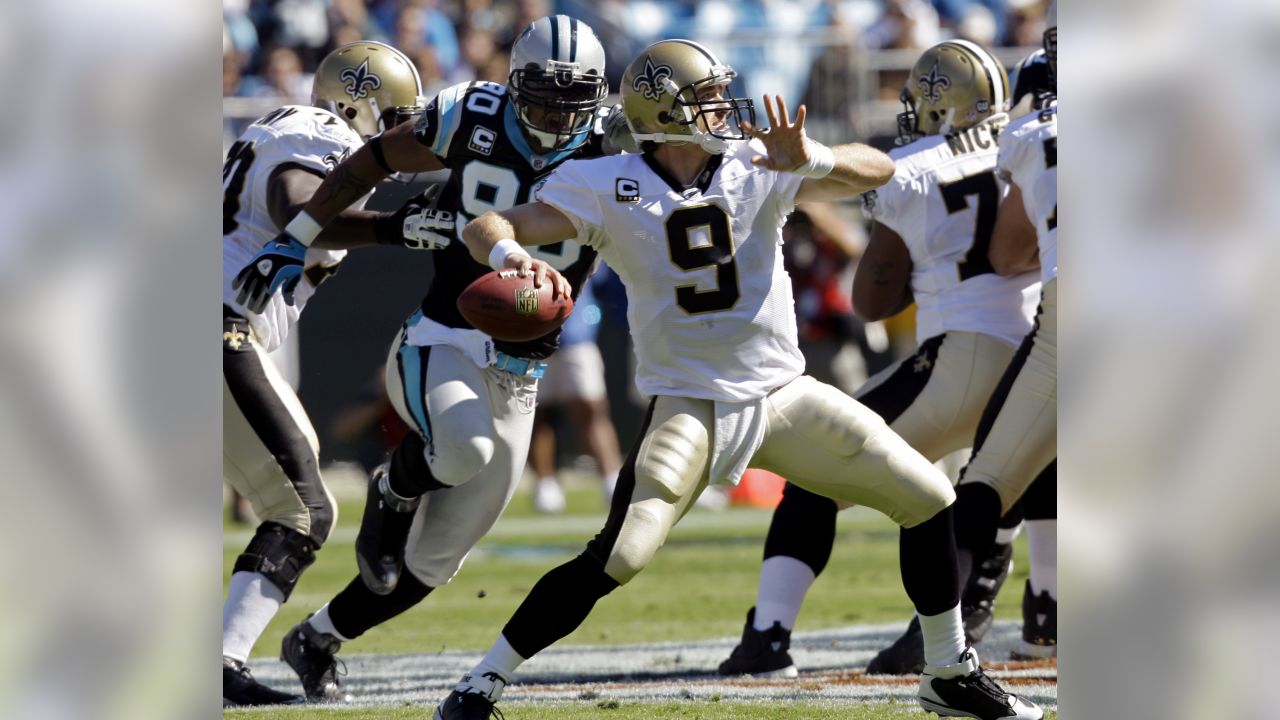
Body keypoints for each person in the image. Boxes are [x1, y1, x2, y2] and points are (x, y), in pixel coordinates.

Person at [442, 39, 1042, 720]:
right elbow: (486, 224)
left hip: (782, 393)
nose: (722, 109)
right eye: (705, 99)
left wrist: (813, 158)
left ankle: (947, 672)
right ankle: (480, 683)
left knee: (930, 497)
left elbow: (876, 171)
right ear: (663, 112)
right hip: (690, 404)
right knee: (622, 554)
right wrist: (512, 255)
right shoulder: (605, 181)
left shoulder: (759, 162)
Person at [233, 16, 623, 703]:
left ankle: (318, 636)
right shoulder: (470, 114)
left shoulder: (616, 143)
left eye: (574, 97)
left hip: (523, 370)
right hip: (441, 339)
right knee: (462, 450)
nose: (559, 114)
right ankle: (392, 488)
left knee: (433, 563)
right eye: (543, 95)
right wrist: (298, 235)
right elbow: (371, 160)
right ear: (512, 85)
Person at [716, 39, 1044, 679]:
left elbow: (871, 297)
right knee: (1021, 479)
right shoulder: (1031, 143)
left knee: (813, 477)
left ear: (934, 104)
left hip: (962, 355)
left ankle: (768, 636)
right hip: (1039, 350)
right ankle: (1046, 610)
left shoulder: (915, 166)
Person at [221, 40, 424, 706]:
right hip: (215, 324)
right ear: (357, 106)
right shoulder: (320, 133)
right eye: (394, 119)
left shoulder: (287, 126)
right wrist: (408, 230)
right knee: (303, 508)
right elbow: (295, 205)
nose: (402, 137)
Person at [874, 1, 1059, 671]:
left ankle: (952, 636)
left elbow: (1009, 255)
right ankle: (1043, 605)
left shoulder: (1034, 134)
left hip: (1043, 323)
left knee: (986, 485)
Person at [528, 276, 624, 513]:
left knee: (591, 409)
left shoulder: (586, 241)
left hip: (576, 333)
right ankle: (545, 485)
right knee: (536, 413)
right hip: (530, 337)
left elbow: (605, 284)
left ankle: (612, 481)